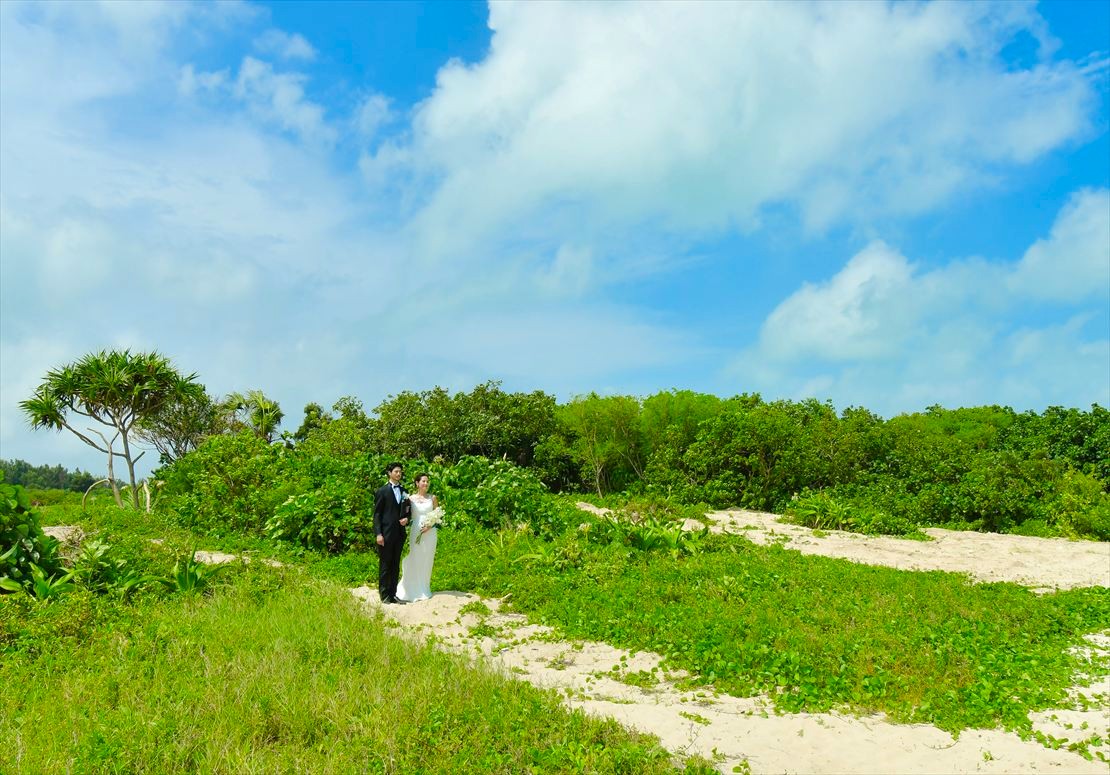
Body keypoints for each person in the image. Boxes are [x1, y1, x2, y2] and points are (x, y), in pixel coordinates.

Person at [396, 473, 440, 602]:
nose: (426, 484)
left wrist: (429, 526)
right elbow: (406, 514)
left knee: (427, 559)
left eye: (427, 482)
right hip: (416, 531)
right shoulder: (410, 498)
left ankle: (424, 587)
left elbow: (438, 516)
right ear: (417, 483)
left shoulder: (433, 498)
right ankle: (410, 588)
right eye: (423, 481)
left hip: (430, 533)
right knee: (415, 557)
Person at [373, 462, 410, 604]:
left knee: (395, 564)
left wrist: (407, 518)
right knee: (385, 564)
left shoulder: (404, 490)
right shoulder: (382, 491)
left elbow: (408, 510)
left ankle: (393, 593)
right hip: (385, 534)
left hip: (399, 534)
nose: (399, 474)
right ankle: (384, 595)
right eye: (396, 471)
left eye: (400, 472)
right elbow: (377, 514)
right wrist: (378, 533)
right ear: (389, 473)